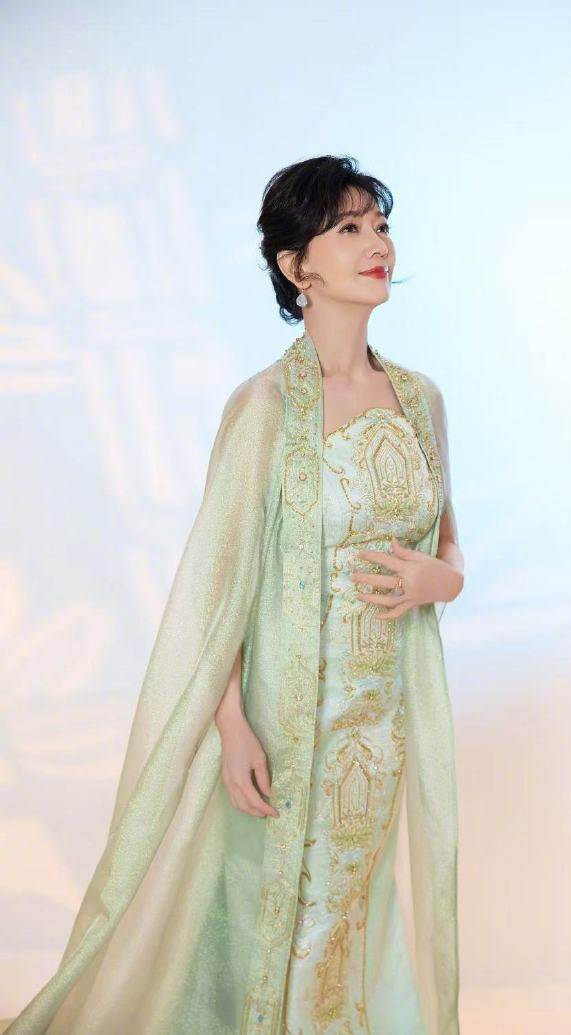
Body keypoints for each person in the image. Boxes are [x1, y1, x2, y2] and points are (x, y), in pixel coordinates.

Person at [5, 154, 465, 1035]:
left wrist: (440, 579)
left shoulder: (420, 399)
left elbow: (448, 543)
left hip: (384, 722)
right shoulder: (264, 407)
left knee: (353, 909)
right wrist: (230, 724)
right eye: (348, 228)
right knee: (274, 914)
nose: (376, 243)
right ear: (297, 267)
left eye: (379, 224)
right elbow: (217, 587)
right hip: (285, 720)